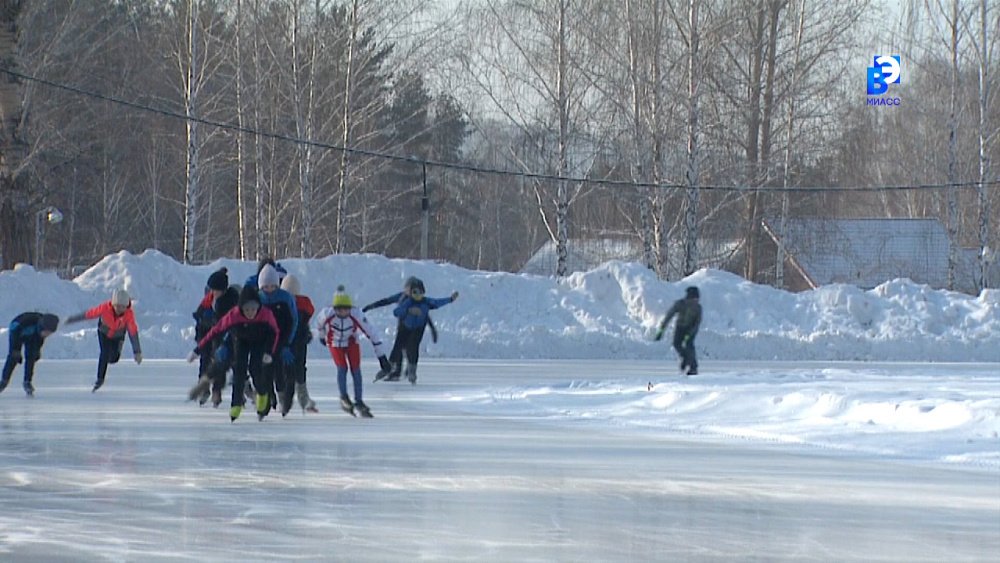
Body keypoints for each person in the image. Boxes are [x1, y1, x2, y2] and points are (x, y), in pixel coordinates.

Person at [188, 285, 280, 422]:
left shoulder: (265, 314)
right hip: (240, 340)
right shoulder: (234, 315)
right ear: (241, 308)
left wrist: (269, 352)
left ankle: (262, 394)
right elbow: (215, 331)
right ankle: (236, 405)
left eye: (253, 309)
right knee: (239, 370)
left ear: (258, 307)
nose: (250, 313)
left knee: (255, 369)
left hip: (260, 341)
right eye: (247, 309)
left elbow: (275, 332)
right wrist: (197, 350)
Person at [315, 285, 392, 417]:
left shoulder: (356, 315)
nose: (344, 312)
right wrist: (322, 336)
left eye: (347, 309)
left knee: (356, 370)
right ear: (335, 309)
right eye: (340, 309)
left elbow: (372, 333)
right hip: (335, 343)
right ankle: (344, 397)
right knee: (342, 368)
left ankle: (359, 400)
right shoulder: (327, 314)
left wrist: (382, 358)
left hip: (351, 343)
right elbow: (319, 324)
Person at [65, 289, 142, 392]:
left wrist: (137, 351)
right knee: (104, 353)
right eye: (118, 306)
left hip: (117, 336)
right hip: (104, 333)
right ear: (113, 304)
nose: (120, 309)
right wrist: (71, 319)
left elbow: (133, 332)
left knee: (113, 358)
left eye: (123, 307)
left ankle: (112, 356)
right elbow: (89, 314)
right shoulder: (105, 308)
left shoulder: (129, 314)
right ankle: (100, 379)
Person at [386, 279, 458, 384]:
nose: (418, 295)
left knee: (413, 348)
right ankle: (392, 368)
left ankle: (411, 372)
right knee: (399, 347)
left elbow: (438, 302)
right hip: (406, 328)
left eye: (420, 292)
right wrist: (408, 310)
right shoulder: (408, 302)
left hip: (418, 330)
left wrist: (450, 299)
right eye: (415, 292)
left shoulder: (426, 302)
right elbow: (396, 311)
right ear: (411, 292)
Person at [189, 268, 240, 407]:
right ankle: (204, 388)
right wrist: (200, 338)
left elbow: (228, 321)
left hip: (224, 336)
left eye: (215, 290)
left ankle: (218, 391)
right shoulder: (208, 300)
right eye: (211, 290)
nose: (213, 293)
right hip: (207, 334)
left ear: (223, 290)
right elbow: (200, 318)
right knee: (205, 360)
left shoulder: (229, 301)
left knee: (220, 362)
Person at [257, 263, 298, 416]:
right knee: (264, 371)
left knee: (279, 371)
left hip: (282, 339)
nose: (268, 290)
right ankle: (267, 401)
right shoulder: (258, 298)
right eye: (265, 287)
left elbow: (293, 321)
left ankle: (282, 397)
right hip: (264, 341)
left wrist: (287, 343)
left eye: (272, 286)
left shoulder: (285, 298)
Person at [278, 274, 317, 415]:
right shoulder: (304, 303)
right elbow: (310, 312)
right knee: (299, 367)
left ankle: (288, 397)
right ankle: (301, 396)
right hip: (299, 340)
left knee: (288, 369)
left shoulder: (281, 302)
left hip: (293, 340)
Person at [1, 313, 59, 396]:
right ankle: (4, 381)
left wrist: (37, 352)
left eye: (49, 333)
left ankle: (27, 381)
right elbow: (14, 334)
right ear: (42, 327)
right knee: (13, 357)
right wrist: (16, 350)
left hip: (33, 334)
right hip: (17, 332)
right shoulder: (22, 325)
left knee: (31, 356)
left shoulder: (42, 331)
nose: (47, 335)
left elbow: (39, 343)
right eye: (46, 332)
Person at [654, 286, 702, 375]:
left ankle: (693, 368)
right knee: (676, 344)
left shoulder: (698, 308)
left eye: (697, 299)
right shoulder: (680, 304)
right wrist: (661, 329)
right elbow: (669, 315)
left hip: (690, 328)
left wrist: (690, 334)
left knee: (689, 345)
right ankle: (685, 358)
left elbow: (697, 323)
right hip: (680, 327)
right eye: (694, 299)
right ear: (689, 298)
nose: (696, 301)